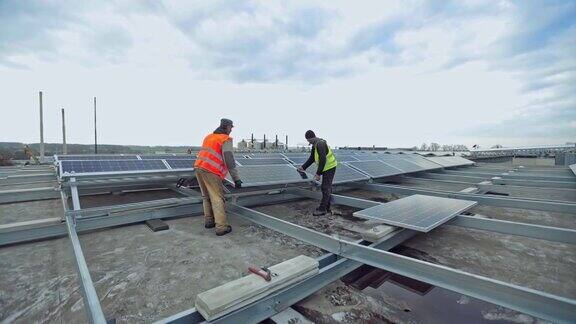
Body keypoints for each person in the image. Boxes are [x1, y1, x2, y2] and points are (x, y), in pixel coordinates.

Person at [194, 118, 242, 236]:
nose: (231, 130)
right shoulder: (225, 139)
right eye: (231, 127)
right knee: (217, 197)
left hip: (199, 167)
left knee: (206, 196)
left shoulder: (209, 137)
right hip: (211, 170)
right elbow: (229, 160)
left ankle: (209, 221)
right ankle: (221, 227)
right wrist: (236, 179)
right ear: (227, 127)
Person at [298, 130, 338, 216]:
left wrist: (318, 174)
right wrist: (303, 167)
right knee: (327, 187)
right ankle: (327, 207)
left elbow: (323, 159)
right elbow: (312, 158)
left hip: (330, 167)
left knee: (325, 187)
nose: (309, 143)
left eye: (309, 141)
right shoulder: (315, 145)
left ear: (311, 138)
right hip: (325, 167)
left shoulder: (320, 144)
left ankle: (323, 209)